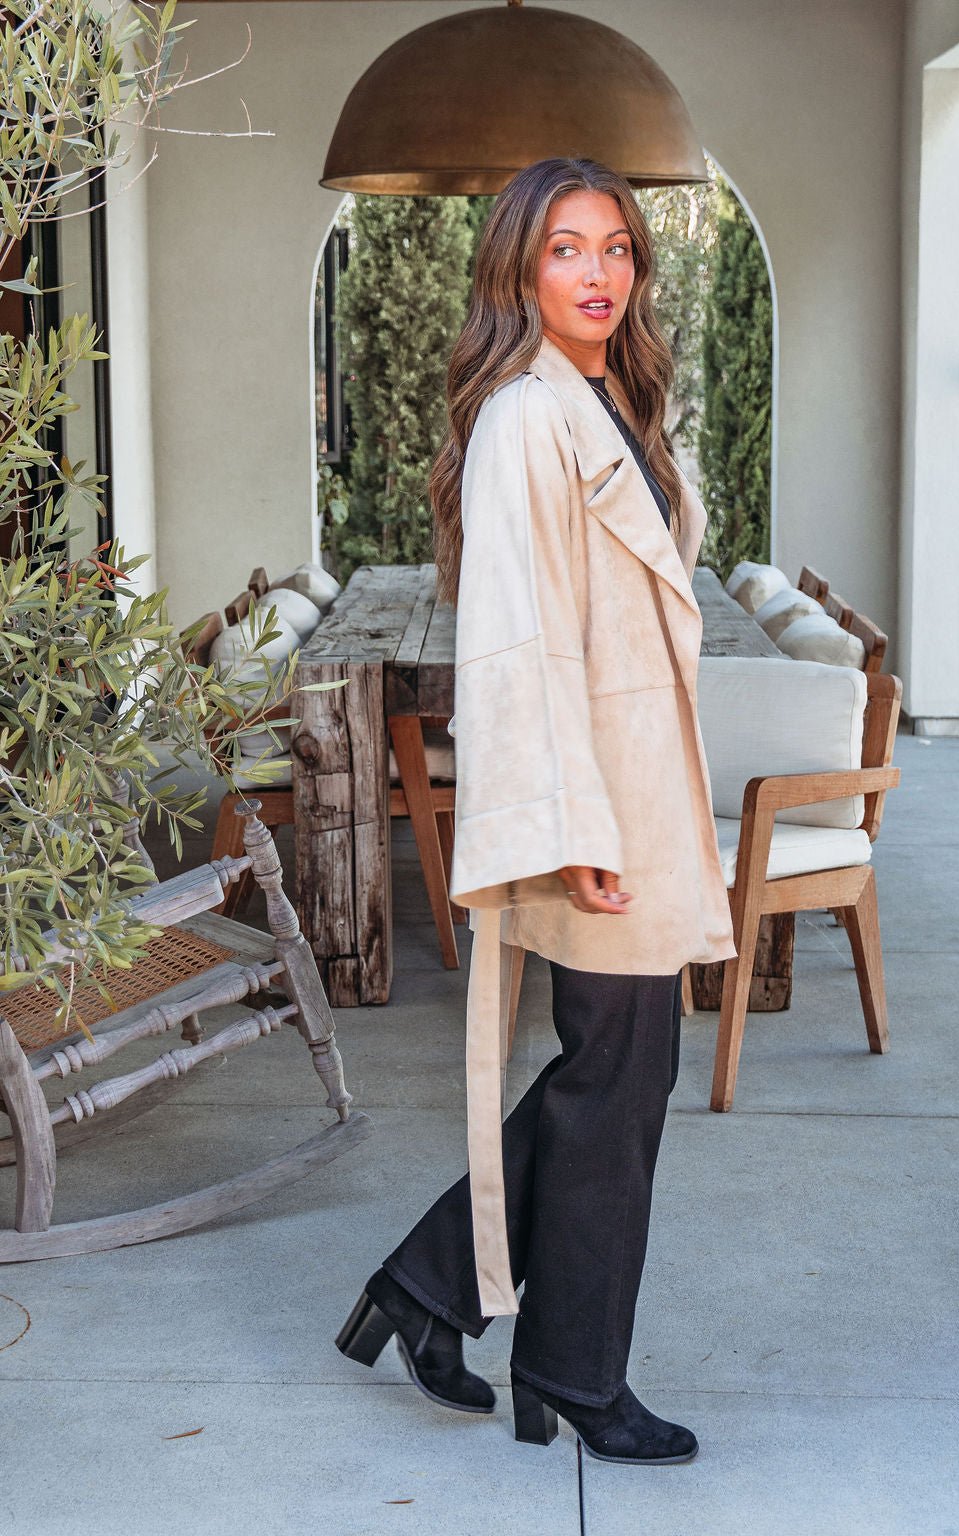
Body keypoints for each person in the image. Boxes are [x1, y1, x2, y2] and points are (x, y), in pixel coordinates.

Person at [335, 157, 738, 1466]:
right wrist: (568, 830)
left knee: (610, 1077)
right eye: (568, 249)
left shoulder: (614, 399)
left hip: (639, 786)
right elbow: (516, 642)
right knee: (616, 1082)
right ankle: (570, 1369)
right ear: (518, 267)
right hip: (593, 805)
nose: (600, 273)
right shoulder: (526, 417)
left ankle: (429, 1287)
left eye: (617, 247)